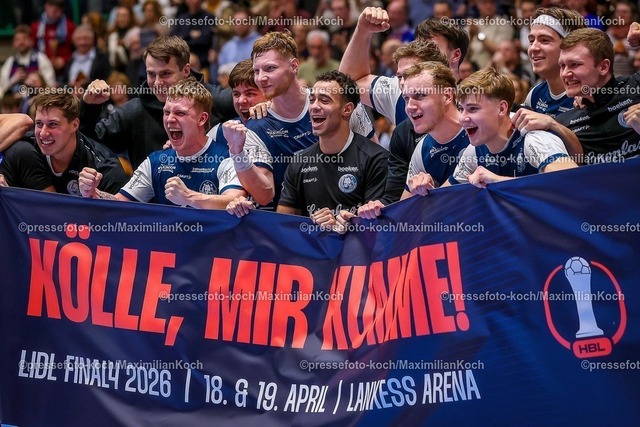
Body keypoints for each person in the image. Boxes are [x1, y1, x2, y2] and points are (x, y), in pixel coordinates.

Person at [222, 31, 375, 208]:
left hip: (349, 215)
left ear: (294, 66)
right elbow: (264, 196)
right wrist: (237, 153)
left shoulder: (339, 104)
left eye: (270, 68)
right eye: (257, 71)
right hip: (291, 221)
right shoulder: (256, 125)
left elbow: (375, 158)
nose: (261, 78)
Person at [227, 70, 388, 228]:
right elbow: (283, 228)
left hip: (358, 245)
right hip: (313, 246)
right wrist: (312, 226)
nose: (314, 107)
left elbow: (382, 227)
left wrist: (349, 225)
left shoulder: (376, 159)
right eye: (312, 100)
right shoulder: (300, 162)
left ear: (347, 109)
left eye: (324, 100)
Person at [78, 77, 245, 208]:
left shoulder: (225, 158)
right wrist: (94, 193)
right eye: (166, 112)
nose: (170, 119)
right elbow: (120, 203)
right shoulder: (156, 162)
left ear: (202, 119)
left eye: (180, 113)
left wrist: (189, 197)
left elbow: (233, 202)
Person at [80, 35, 236, 169]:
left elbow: (247, 102)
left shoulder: (215, 100)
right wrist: (90, 106)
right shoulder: (133, 112)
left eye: (166, 73)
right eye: (151, 74)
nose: (157, 83)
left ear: (186, 70)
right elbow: (88, 142)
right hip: (152, 195)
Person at [357, 61, 469, 217]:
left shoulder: (480, 132)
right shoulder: (421, 150)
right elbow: (403, 216)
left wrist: (430, 197)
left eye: (420, 95)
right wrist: (374, 213)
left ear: (447, 95)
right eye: (406, 98)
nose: (409, 106)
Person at [0, 92, 128, 194]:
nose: (43, 133)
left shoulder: (105, 168)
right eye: (39, 124)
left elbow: (123, 213)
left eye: (53, 124)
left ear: (74, 125)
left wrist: (96, 196)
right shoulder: (24, 146)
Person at [555, 27, 640, 164]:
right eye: (562, 66)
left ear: (603, 67)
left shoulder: (636, 88)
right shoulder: (563, 124)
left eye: (574, 64)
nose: (565, 74)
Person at [523, 8, 586, 117]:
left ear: (569, 46)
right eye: (531, 41)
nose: (533, 48)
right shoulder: (535, 95)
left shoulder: (587, 97)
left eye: (544, 40)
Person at [0, 25, 55, 98]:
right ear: (13, 43)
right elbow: (2, 89)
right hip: (13, 101)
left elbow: (50, 85)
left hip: (36, 100)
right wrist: (13, 80)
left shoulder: (41, 59)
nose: (21, 42)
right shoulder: (10, 61)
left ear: (31, 41)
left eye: (24, 38)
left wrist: (32, 83)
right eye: (17, 40)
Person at [31, 0, 76, 80]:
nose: (54, 9)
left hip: (65, 72)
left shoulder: (70, 26)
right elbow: (32, 51)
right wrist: (45, 61)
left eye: (58, 6)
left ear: (62, 9)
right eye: (51, 5)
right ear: (45, 6)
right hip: (43, 72)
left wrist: (65, 60)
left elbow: (77, 51)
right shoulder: (36, 27)